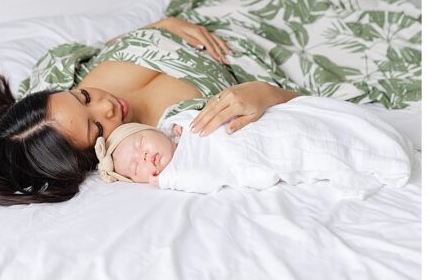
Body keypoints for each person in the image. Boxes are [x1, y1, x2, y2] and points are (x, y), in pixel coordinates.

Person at [0, 0, 421, 205]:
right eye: (96, 128)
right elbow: (299, 115)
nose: (109, 107)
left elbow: (92, 48)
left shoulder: (55, 77)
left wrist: (155, 29)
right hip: (271, 57)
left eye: (85, 97)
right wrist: (266, 94)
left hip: (222, 17)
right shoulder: (174, 135)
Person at [100, 96, 412, 194]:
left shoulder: (181, 124)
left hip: (264, 125)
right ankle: (380, 156)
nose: (143, 156)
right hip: (261, 152)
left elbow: (209, 114)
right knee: (311, 146)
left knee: (309, 122)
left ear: (155, 130)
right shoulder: (180, 173)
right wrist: (166, 179)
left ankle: (375, 137)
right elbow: (207, 176)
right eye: (136, 167)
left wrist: (180, 125)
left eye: (139, 143)